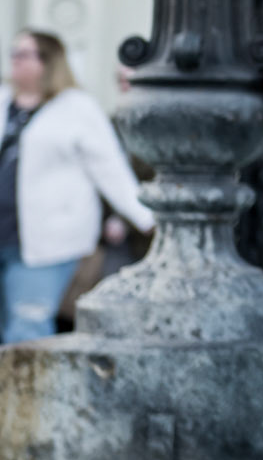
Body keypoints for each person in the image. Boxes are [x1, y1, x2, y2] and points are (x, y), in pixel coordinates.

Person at [0, 28, 154, 344]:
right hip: (3, 232)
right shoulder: (4, 102)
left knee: (27, 329)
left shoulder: (77, 108)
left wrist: (144, 217)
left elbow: (110, 169)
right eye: (13, 53)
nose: (14, 61)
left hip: (46, 242)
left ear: (48, 61)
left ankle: (28, 395)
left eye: (23, 54)